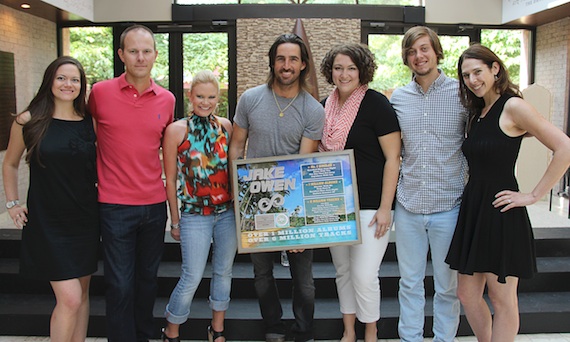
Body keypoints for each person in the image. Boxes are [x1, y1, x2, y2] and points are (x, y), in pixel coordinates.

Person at [445, 43, 570, 341]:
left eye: (478, 72)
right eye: (466, 75)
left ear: (495, 69)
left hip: (502, 211)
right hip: (474, 209)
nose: (473, 80)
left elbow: (564, 147)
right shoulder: (478, 112)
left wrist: (533, 195)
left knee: (502, 299)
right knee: (466, 294)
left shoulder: (513, 106)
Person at [228, 33, 325, 342]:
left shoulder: (313, 109)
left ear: (303, 65)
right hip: (254, 201)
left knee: (304, 278)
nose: (286, 65)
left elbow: (303, 163)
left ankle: (303, 330)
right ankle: (273, 325)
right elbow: (237, 147)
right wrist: (236, 191)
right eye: (281, 58)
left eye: (293, 59)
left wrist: (296, 224)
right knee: (261, 273)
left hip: (294, 200)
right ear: (272, 62)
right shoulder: (250, 99)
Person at [88, 24, 175, 342]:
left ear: (155, 55)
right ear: (121, 54)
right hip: (114, 205)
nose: (141, 57)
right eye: (134, 51)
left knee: (147, 281)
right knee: (120, 284)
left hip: (153, 206)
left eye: (147, 51)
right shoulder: (100, 92)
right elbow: (77, 123)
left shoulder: (166, 99)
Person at [2, 56, 98, 341]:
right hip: (48, 222)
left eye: (75, 80)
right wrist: (12, 203)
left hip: (84, 219)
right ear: (50, 80)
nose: (68, 84)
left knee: (81, 294)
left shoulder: (88, 122)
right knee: (69, 298)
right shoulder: (29, 120)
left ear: (82, 86)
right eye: (61, 78)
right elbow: (10, 163)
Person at [318, 43, 401, 342]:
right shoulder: (324, 106)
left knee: (365, 275)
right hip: (334, 205)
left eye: (351, 68)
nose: (344, 74)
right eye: (338, 67)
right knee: (343, 272)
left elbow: (393, 158)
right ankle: (349, 331)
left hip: (369, 205)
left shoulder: (377, 104)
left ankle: (371, 332)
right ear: (330, 70)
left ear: (362, 70)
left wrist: (385, 207)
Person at [390, 26, 468, 342]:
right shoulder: (398, 98)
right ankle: (410, 338)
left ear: (436, 52)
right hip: (408, 204)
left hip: (449, 204)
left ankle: (443, 339)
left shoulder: (462, 93)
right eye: (412, 51)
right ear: (406, 58)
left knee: (448, 284)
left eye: (424, 49)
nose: (418, 56)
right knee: (409, 281)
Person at [160, 70, 237, 342]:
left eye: (211, 97)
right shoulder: (176, 130)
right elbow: (169, 180)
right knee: (191, 276)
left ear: (219, 98)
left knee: (223, 272)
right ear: (190, 96)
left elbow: (235, 171)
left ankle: (217, 330)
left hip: (227, 213)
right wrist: (175, 220)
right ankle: (172, 329)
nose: (205, 102)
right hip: (194, 214)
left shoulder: (227, 127)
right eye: (200, 96)